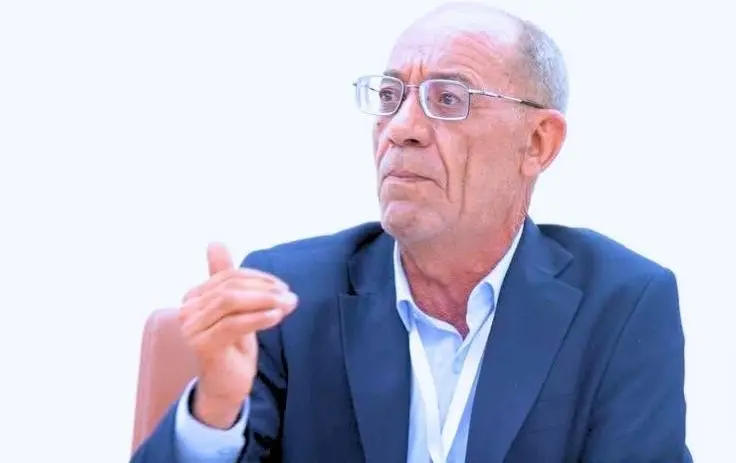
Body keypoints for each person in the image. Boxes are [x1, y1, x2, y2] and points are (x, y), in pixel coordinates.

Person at [131, 3, 692, 462]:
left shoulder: (619, 304)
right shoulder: (290, 296)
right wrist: (218, 407)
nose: (401, 129)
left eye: (448, 99)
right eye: (390, 97)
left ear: (538, 142)